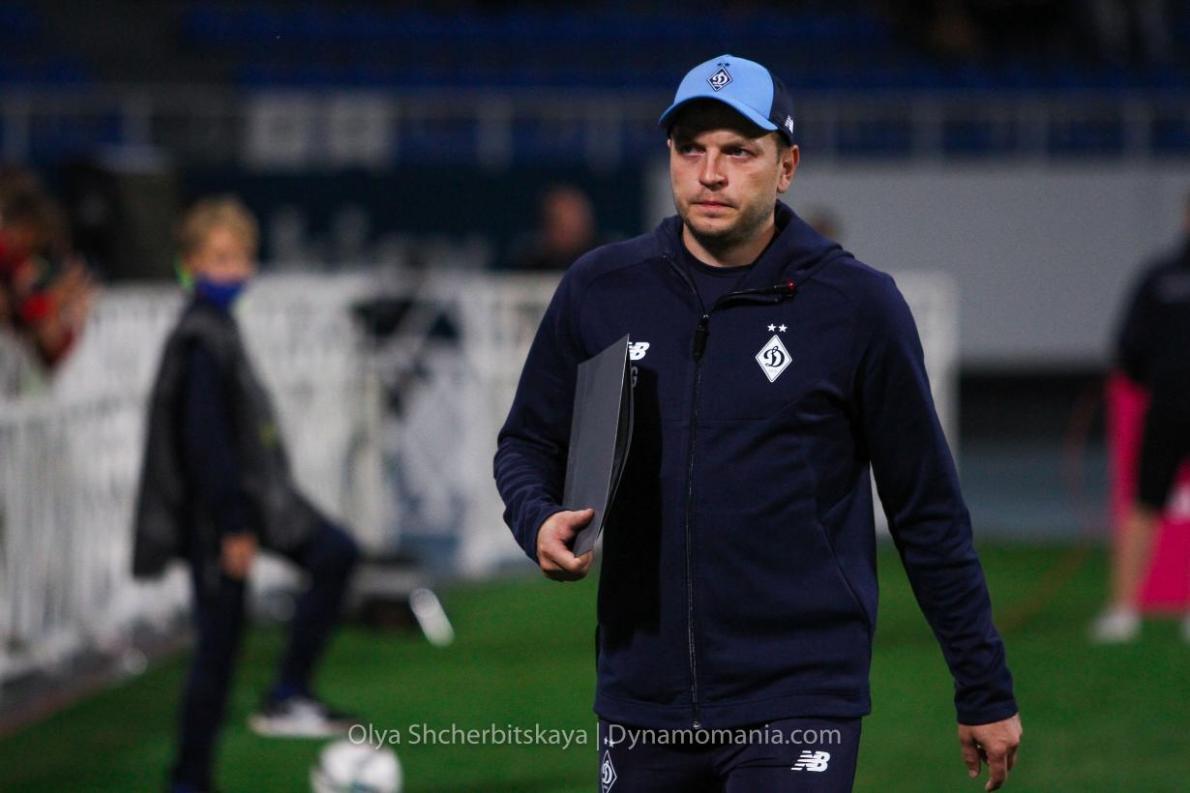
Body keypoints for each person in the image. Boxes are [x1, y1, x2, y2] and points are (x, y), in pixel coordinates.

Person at [494, 54, 1021, 792]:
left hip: (801, 692)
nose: (711, 174)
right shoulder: (601, 289)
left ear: (787, 166)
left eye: (739, 151)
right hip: (642, 694)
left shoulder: (856, 305)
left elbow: (925, 506)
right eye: (691, 149)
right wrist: (537, 518)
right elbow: (527, 441)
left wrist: (983, 684)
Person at [132, 196, 361, 793]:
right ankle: (199, 770)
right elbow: (205, 445)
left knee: (231, 639)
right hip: (221, 514)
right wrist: (233, 524)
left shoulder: (213, 329)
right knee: (218, 649)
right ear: (188, 264)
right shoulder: (201, 339)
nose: (233, 270)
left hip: (244, 506)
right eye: (219, 258)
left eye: (240, 258)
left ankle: (236, 737)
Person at [1092, 192, 1190, 644]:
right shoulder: (1159, 278)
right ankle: (1123, 608)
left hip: (1167, 401)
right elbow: (1128, 345)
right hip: (1167, 407)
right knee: (1144, 502)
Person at [505, 184, 599, 271]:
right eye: (559, 223)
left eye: (573, 222)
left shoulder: (602, 262)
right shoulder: (528, 262)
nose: (567, 231)